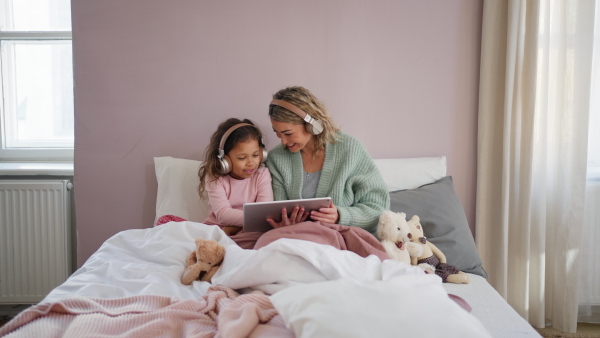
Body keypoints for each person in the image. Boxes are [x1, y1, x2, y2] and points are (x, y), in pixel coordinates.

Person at [265, 86, 389, 234]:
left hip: (341, 239)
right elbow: (279, 211)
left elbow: (379, 209)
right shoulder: (276, 158)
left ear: (311, 125)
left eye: (288, 133)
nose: (283, 142)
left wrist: (340, 216)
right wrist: (284, 224)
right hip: (295, 239)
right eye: (277, 133)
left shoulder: (350, 149)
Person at [198, 118, 273, 236]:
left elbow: (264, 212)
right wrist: (255, 219)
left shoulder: (262, 174)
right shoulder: (215, 178)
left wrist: (240, 227)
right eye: (242, 158)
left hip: (251, 229)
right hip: (217, 229)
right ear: (225, 160)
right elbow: (223, 214)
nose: (251, 163)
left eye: (255, 155)